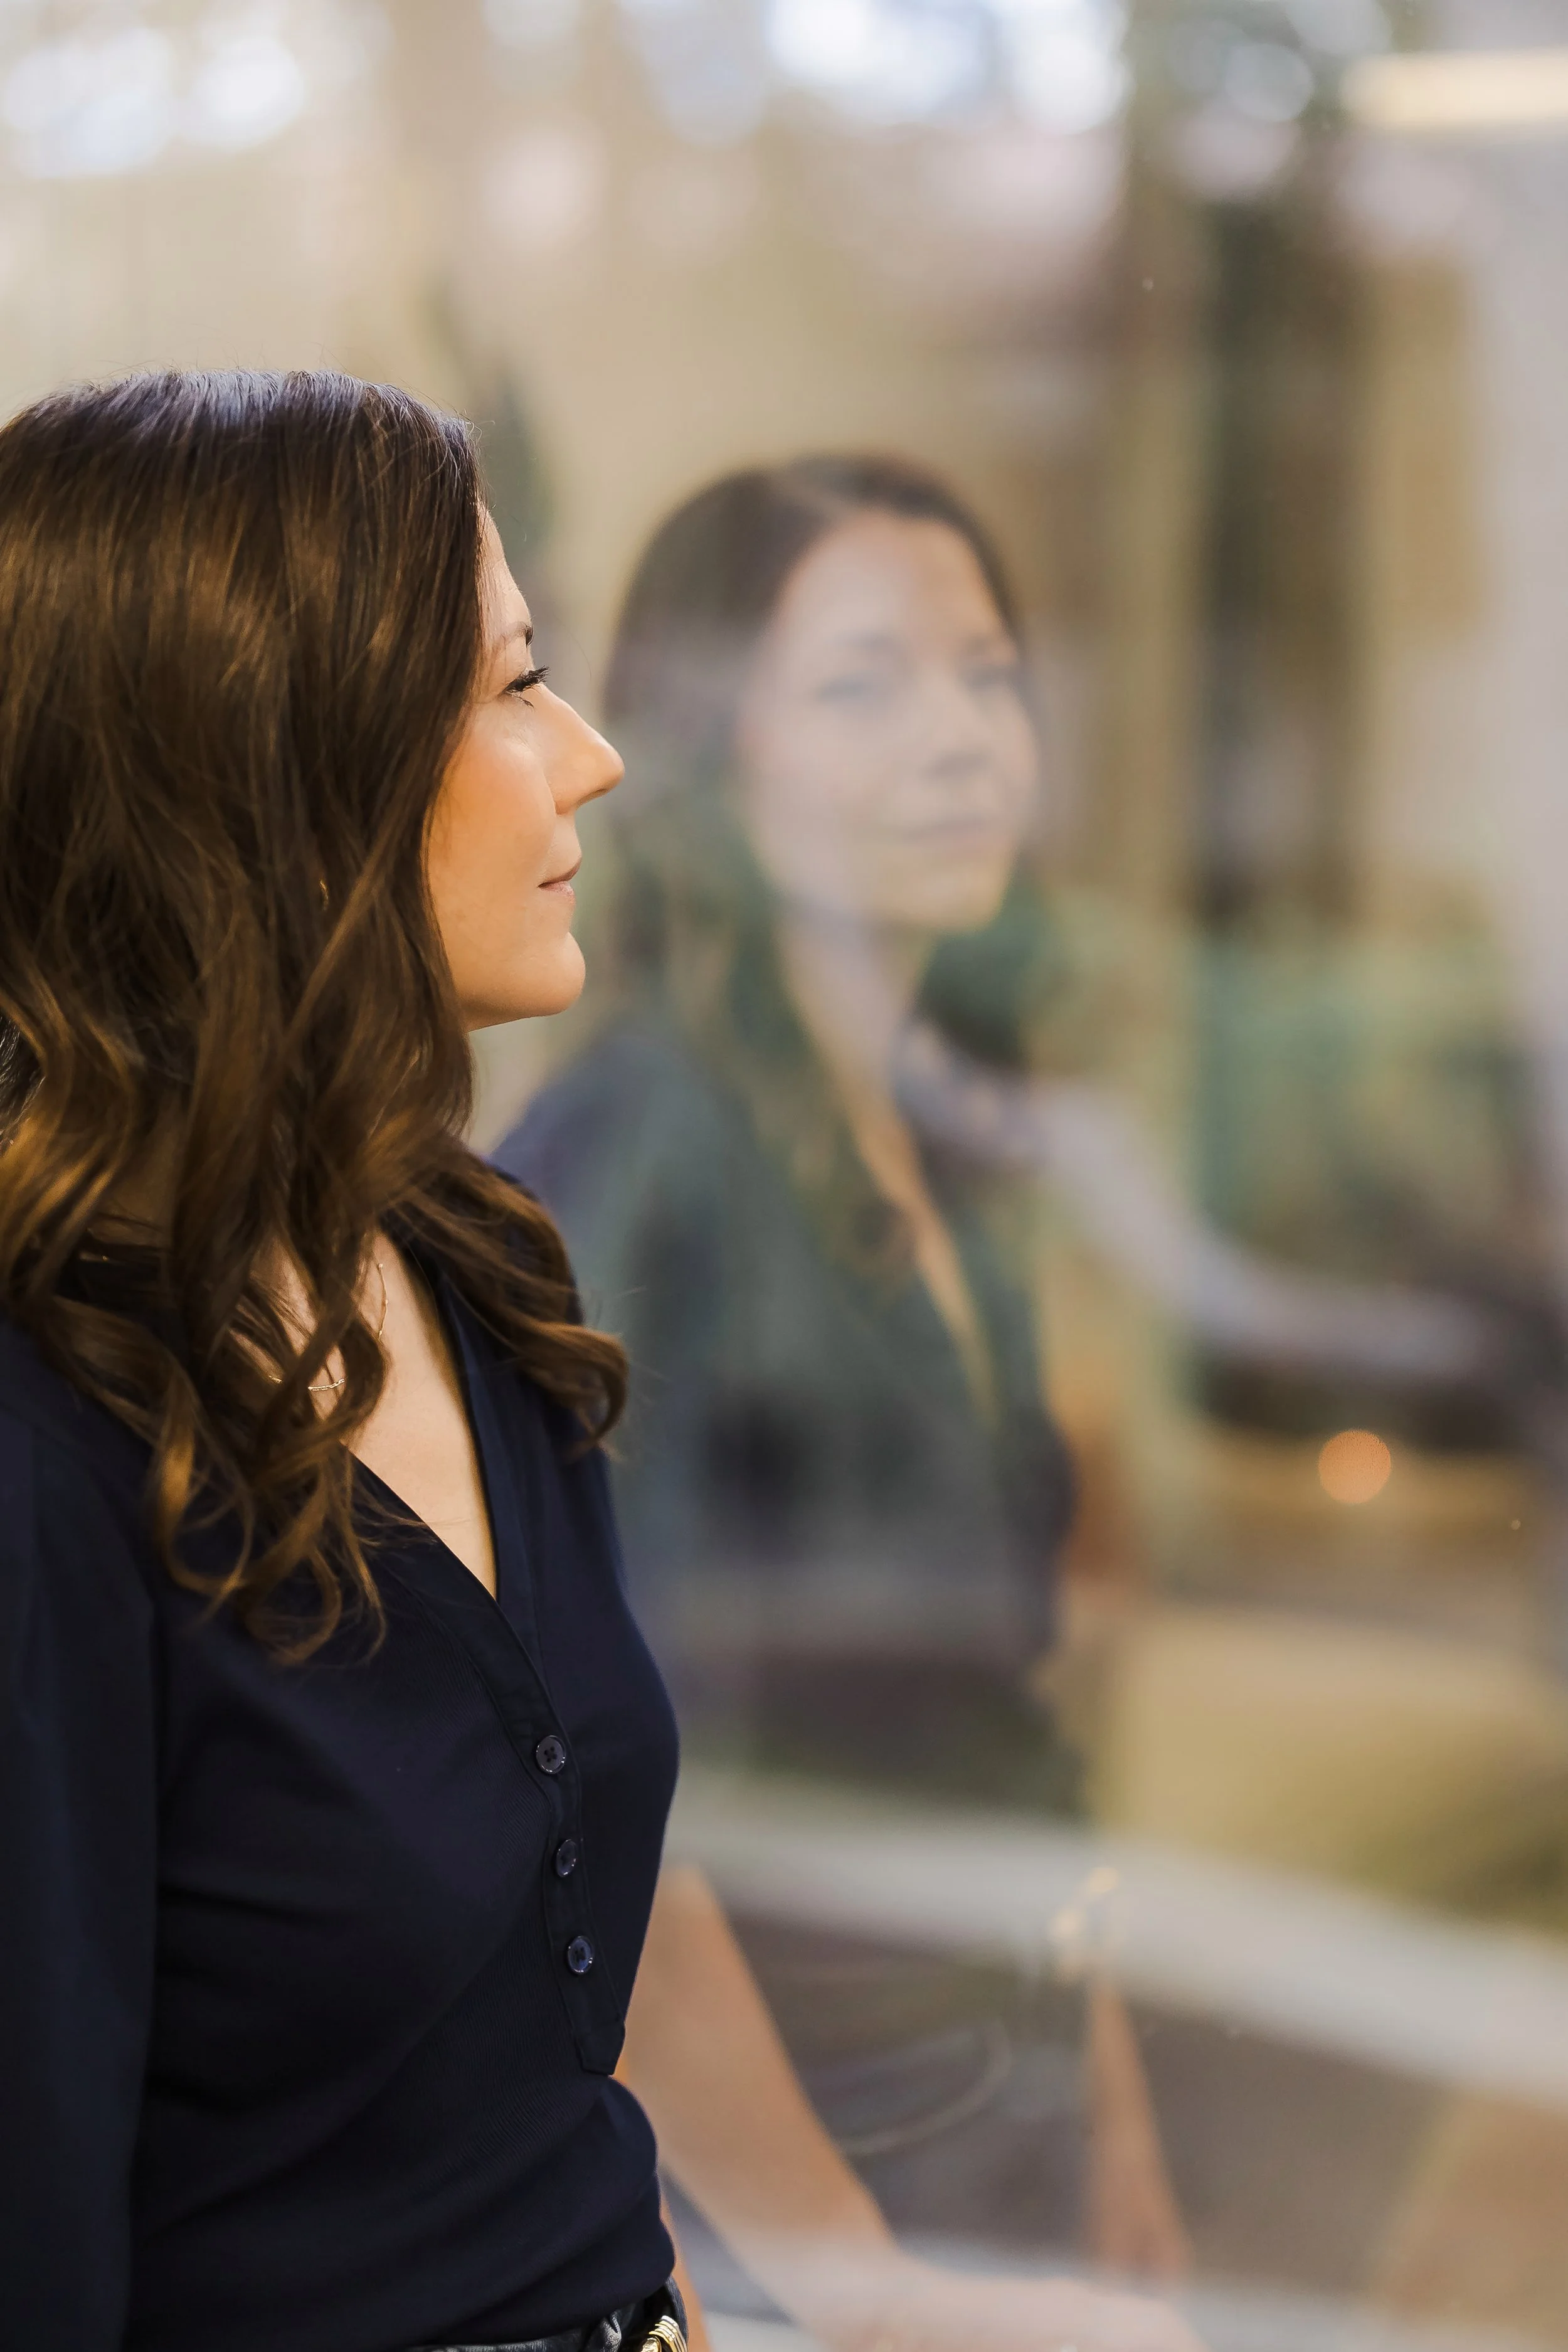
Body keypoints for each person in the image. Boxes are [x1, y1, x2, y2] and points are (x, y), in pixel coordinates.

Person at [0, 374, 1202, 2352]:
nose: (592, 759)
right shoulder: (63, 1437)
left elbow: (551, 2002)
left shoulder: (477, 1268)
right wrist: (851, 2263)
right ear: (277, 774)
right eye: (506, 689)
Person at [498, 458, 1190, 2276]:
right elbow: (603, 1793)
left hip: (1003, 2076)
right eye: (865, 684)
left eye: (986, 672)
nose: (963, 739)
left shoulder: (957, 1129)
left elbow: (1008, 1710)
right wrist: (845, 2273)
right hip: (805, 2165)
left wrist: (1101, 2090)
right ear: (705, 745)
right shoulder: (640, 1157)